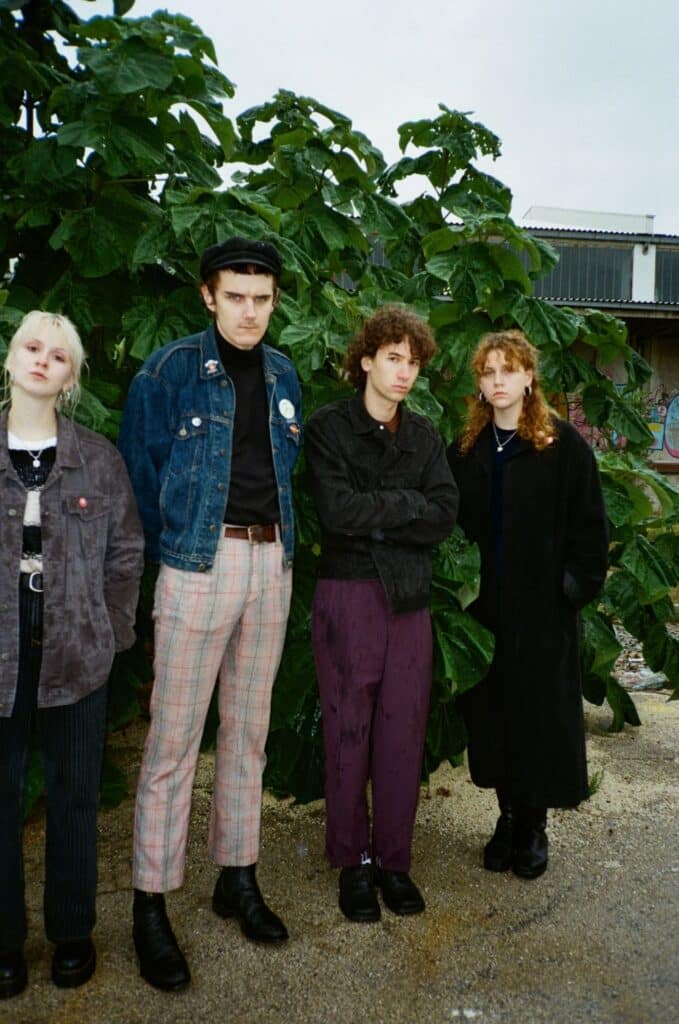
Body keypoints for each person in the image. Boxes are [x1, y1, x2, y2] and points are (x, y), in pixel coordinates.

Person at [119, 237, 302, 991]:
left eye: (261, 299)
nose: (249, 312)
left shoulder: (287, 373)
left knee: (248, 735)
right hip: (197, 566)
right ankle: (150, 905)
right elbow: (139, 479)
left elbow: (285, 471)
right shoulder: (167, 373)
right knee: (172, 741)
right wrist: (173, 560)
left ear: (274, 301)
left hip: (272, 563)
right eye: (235, 296)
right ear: (207, 296)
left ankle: (237, 876)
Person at [0, 311, 144, 1000]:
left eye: (58, 356)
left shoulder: (99, 459)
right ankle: (3, 941)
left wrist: (111, 632)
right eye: (31, 346)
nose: (41, 361)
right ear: (9, 357)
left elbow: (125, 552)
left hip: (77, 655)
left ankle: (71, 934)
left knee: (75, 799)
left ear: (71, 378)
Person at [305, 306, 458, 922]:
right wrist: (405, 507)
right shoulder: (327, 429)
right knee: (348, 732)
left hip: (410, 603)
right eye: (393, 358)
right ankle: (353, 864)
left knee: (402, 735)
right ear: (366, 359)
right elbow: (337, 512)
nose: (404, 373)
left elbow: (444, 513)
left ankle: (394, 862)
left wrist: (383, 515)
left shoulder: (423, 437)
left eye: (414, 362)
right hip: (347, 595)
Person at [447, 329, 609, 880]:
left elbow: (592, 531)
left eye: (507, 371)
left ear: (528, 377)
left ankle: (533, 825)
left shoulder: (561, 447)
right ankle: (506, 816)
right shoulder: (466, 450)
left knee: (537, 719)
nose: (498, 382)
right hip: (484, 614)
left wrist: (568, 591)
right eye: (488, 373)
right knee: (494, 720)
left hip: (542, 615)